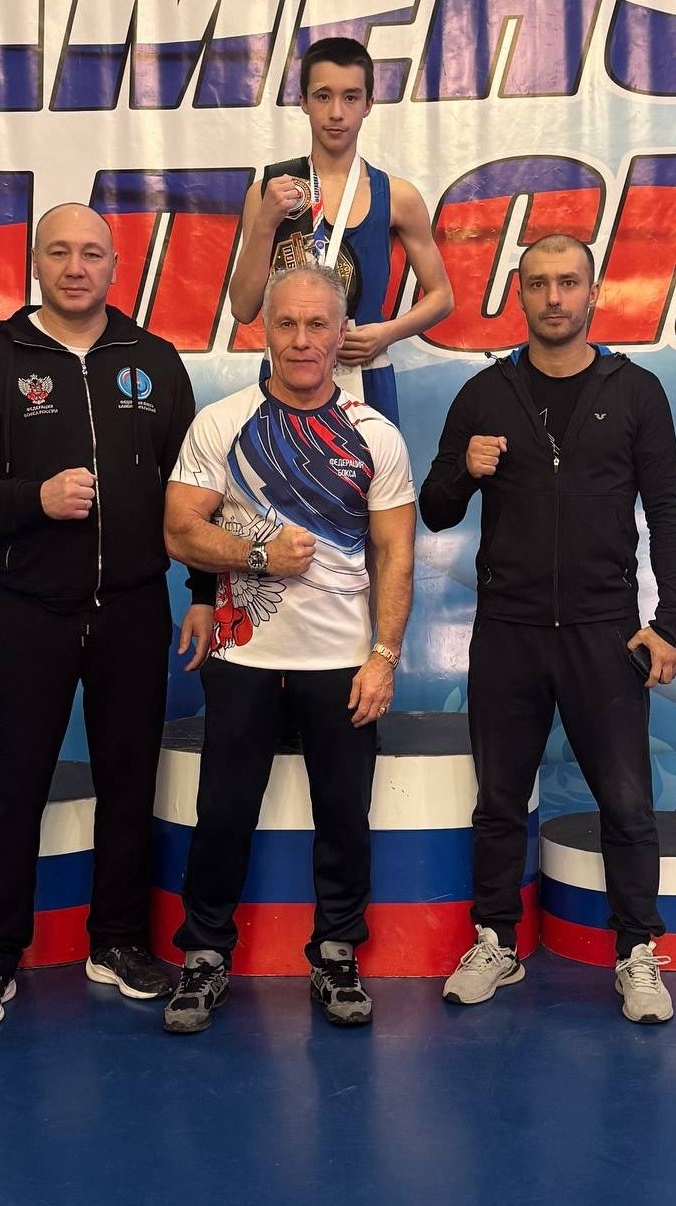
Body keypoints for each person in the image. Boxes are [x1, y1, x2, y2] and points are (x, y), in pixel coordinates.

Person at [0, 202, 213, 1030]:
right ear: (37, 264)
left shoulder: (152, 361)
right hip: (28, 614)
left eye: (91, 253)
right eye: (59, 252)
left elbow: (192, 492)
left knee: (128, 784)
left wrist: (201, 590)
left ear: (114, 266)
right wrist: (34, 500)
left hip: (133, 611)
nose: (76, 267)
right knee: (12, 789)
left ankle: (116, 942)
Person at [419, 233, 676, 1024]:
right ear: (519, 293)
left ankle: (636, 951)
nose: (553, 298)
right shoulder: (485, 392)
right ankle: (494, 941)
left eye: (567, 282)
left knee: (626, 804)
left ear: (592, 292)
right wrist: (462, 470)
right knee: (499, 801)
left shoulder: (635, 390)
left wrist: (670, 622)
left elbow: (666, 512)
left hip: (603, 632)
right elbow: (435, 510)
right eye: (538, 283)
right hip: (507, 630)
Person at [161, 260, 416, 1034]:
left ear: (341, 335)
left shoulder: (374, 435)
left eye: (317, 325)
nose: (302, 340)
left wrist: (384, 656)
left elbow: (395, 553)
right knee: (221, 814)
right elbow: (179, 530)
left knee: (343, 817)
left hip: (341, 666)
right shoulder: (221, 423)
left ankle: (336, 952)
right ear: (263, 331)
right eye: (286, 323)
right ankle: (204, 955)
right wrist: (257, 557)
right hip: (242, 659)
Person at [225, 36, 453, 424]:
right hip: (286, 368)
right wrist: (266, 223)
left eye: (350, 97)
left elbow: (442, 296)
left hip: (365, 369)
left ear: (369, 104)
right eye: (323, 96)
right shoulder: (268, 191)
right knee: (282, 465)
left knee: (373, 466)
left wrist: (386, 333)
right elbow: (243, 308)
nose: (336, 112)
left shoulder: (397, 195)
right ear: (303, 101)